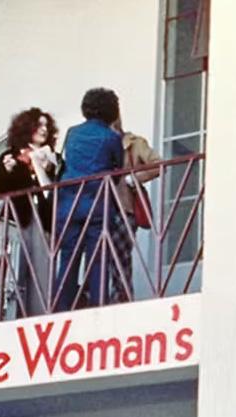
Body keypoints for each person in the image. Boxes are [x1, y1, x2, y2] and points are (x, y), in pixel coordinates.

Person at [55, 87, 124, 310]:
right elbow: (118, 170)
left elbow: (66, 160)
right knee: (98, 258)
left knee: (68, 258)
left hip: (69, 202)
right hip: (97, 202)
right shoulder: (111, 137)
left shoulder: (72, 133)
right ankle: (97, 306)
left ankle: (62, 307)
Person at [0, 107, 60, 316]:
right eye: (39, 125)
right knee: (15, 268)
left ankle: (40, 314)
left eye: (46, 126)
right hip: (18, 218)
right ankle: (13, 312)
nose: (44, 129)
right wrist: (8, 171)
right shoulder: (10, 156)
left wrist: (49, 167)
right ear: (26, 127)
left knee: (42, 269)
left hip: (44, 219)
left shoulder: (53, 157)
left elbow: (57, 188)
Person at [110, 115, 161, 302]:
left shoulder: (135, 142)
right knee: (100, 259)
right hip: (101, 208)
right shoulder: (98, 142)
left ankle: (121, 300)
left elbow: (158, 164)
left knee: (121, 258)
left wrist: (134, 178)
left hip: (125, 208)